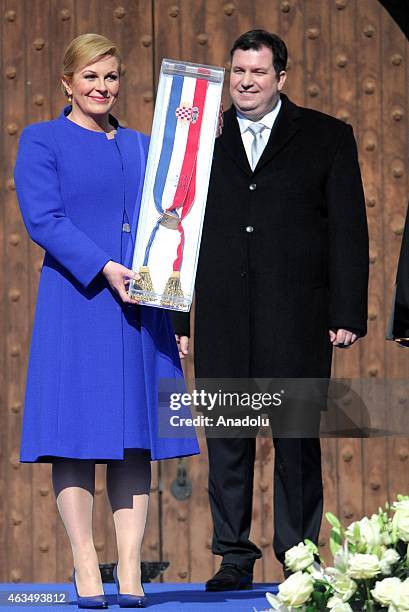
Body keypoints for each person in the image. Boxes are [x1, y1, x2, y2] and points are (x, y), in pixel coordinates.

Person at [171, 29, 369, 589]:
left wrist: (348, 311)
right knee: (229, 441)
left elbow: (349, 231)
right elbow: (176, 230)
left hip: (298, 315)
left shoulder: (327, 136)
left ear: (281, 78)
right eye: (238, 72)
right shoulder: (199, 140)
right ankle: (234, 556)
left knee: (296, 443)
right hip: (224, 315)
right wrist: (177, 318)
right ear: (227, 75)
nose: (246, 82)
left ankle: (301, 557)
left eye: (258, 73)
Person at [14, 33, 199, 609]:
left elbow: (176, 224)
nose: (102, 87)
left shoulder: (145, 146)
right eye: (90, 77)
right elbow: (44, 218)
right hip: (79, 302)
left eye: (111, 77)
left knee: (135, 441)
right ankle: (85, 564)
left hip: (143, 310)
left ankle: (128, 568)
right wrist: (103, 266)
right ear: (66, 83)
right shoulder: (41, 140)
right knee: (74, 441)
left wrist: (179, 311)